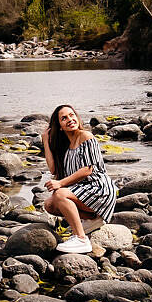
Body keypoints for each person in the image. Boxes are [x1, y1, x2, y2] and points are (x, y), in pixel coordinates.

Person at [41, 104, 117, 255]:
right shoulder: (67, 147)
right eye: (64, 118)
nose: (70, 119)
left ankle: (81, 239)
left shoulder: (86, 136)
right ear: (60, 126)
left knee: (60, 194)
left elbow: (88, 169)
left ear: (77, 117)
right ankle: (92, 218)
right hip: (84, 191)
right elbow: (53, 169)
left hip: (99, 189)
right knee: (49, 205)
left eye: (71, 115)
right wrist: (45, 140)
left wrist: (60, 183)